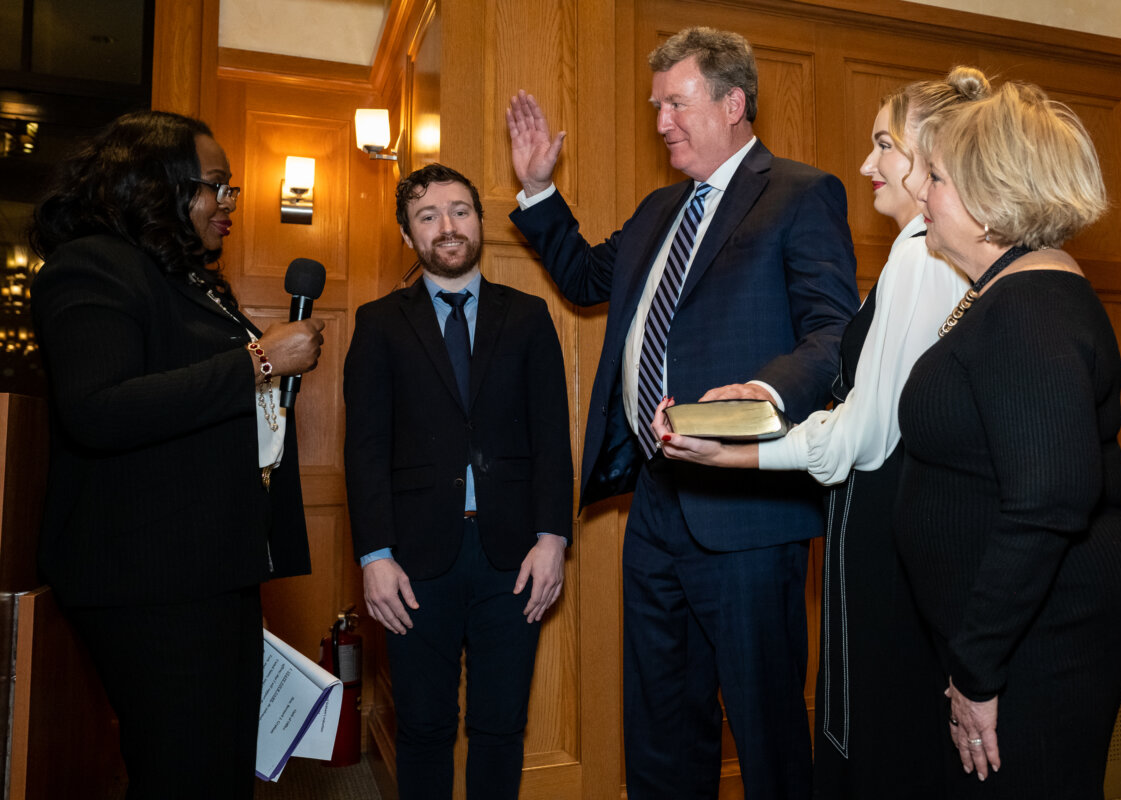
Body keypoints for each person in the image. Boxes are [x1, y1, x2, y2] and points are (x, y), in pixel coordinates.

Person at [507, 26, 859, 799]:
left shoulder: (800, 193)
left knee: (766, 729)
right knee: (661, 724)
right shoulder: (660, 208)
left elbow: (834, 332)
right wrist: (537, 190)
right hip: (656, 502)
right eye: (655, 104)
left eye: (676, 102)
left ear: (733, 102)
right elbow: (586, 278)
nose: (661, 119)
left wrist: (763, 396)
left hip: (747, 505)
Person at [651, 67, 988, 798]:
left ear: (931, 153)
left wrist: (736, 450)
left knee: (886, 746)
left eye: (883, 145)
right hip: (917, 528)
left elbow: (859, 438)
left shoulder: (919, 248)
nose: (866, 164)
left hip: (891, 528)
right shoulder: (941, 252)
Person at [29, 110, 324, 799]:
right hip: (147, 577)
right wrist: (257, 359)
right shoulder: (89, 268)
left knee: (222, 770)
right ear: (158, 185)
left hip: (211, 566)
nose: (228, 204)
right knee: (182, 774)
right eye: (216, 186)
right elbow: (98, 409)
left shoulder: (188, 279)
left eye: (231, 190)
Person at [894, 82, 1121, 797]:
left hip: (1049, 625)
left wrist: (978, 669)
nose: (922, 190)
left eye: (940, 177)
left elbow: (1049, 500)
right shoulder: (1010, 292)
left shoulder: (1030, 308)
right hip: (1025, 623)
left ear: (987, 200)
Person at [343, 163, 573, 800]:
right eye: (428, 216)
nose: (447, 227)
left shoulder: (528, 317)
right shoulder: (378, 323)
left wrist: (553, 539)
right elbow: (363, 450)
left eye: (460, 211)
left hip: (516, 559)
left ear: (479, 222)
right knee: (423, 727)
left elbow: (553, 438)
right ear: (407, 234)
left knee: (501, 728)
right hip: (413, 562)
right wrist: (374, 555)